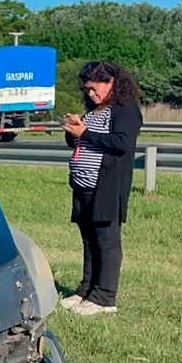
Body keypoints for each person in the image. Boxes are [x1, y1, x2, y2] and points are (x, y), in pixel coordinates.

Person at [60, 60, 143, 316]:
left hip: (106, 186)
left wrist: (84, 133)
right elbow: (80, 140)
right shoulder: (95, 110)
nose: (91, 94)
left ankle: (105, 297)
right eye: (87, 90)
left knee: (106, 241)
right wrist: (73, 129)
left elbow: (121, 143)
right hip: (84, 185)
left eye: (95, 88)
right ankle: (86, 289)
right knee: (89, 240)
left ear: (112, 83)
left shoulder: (125, 109)